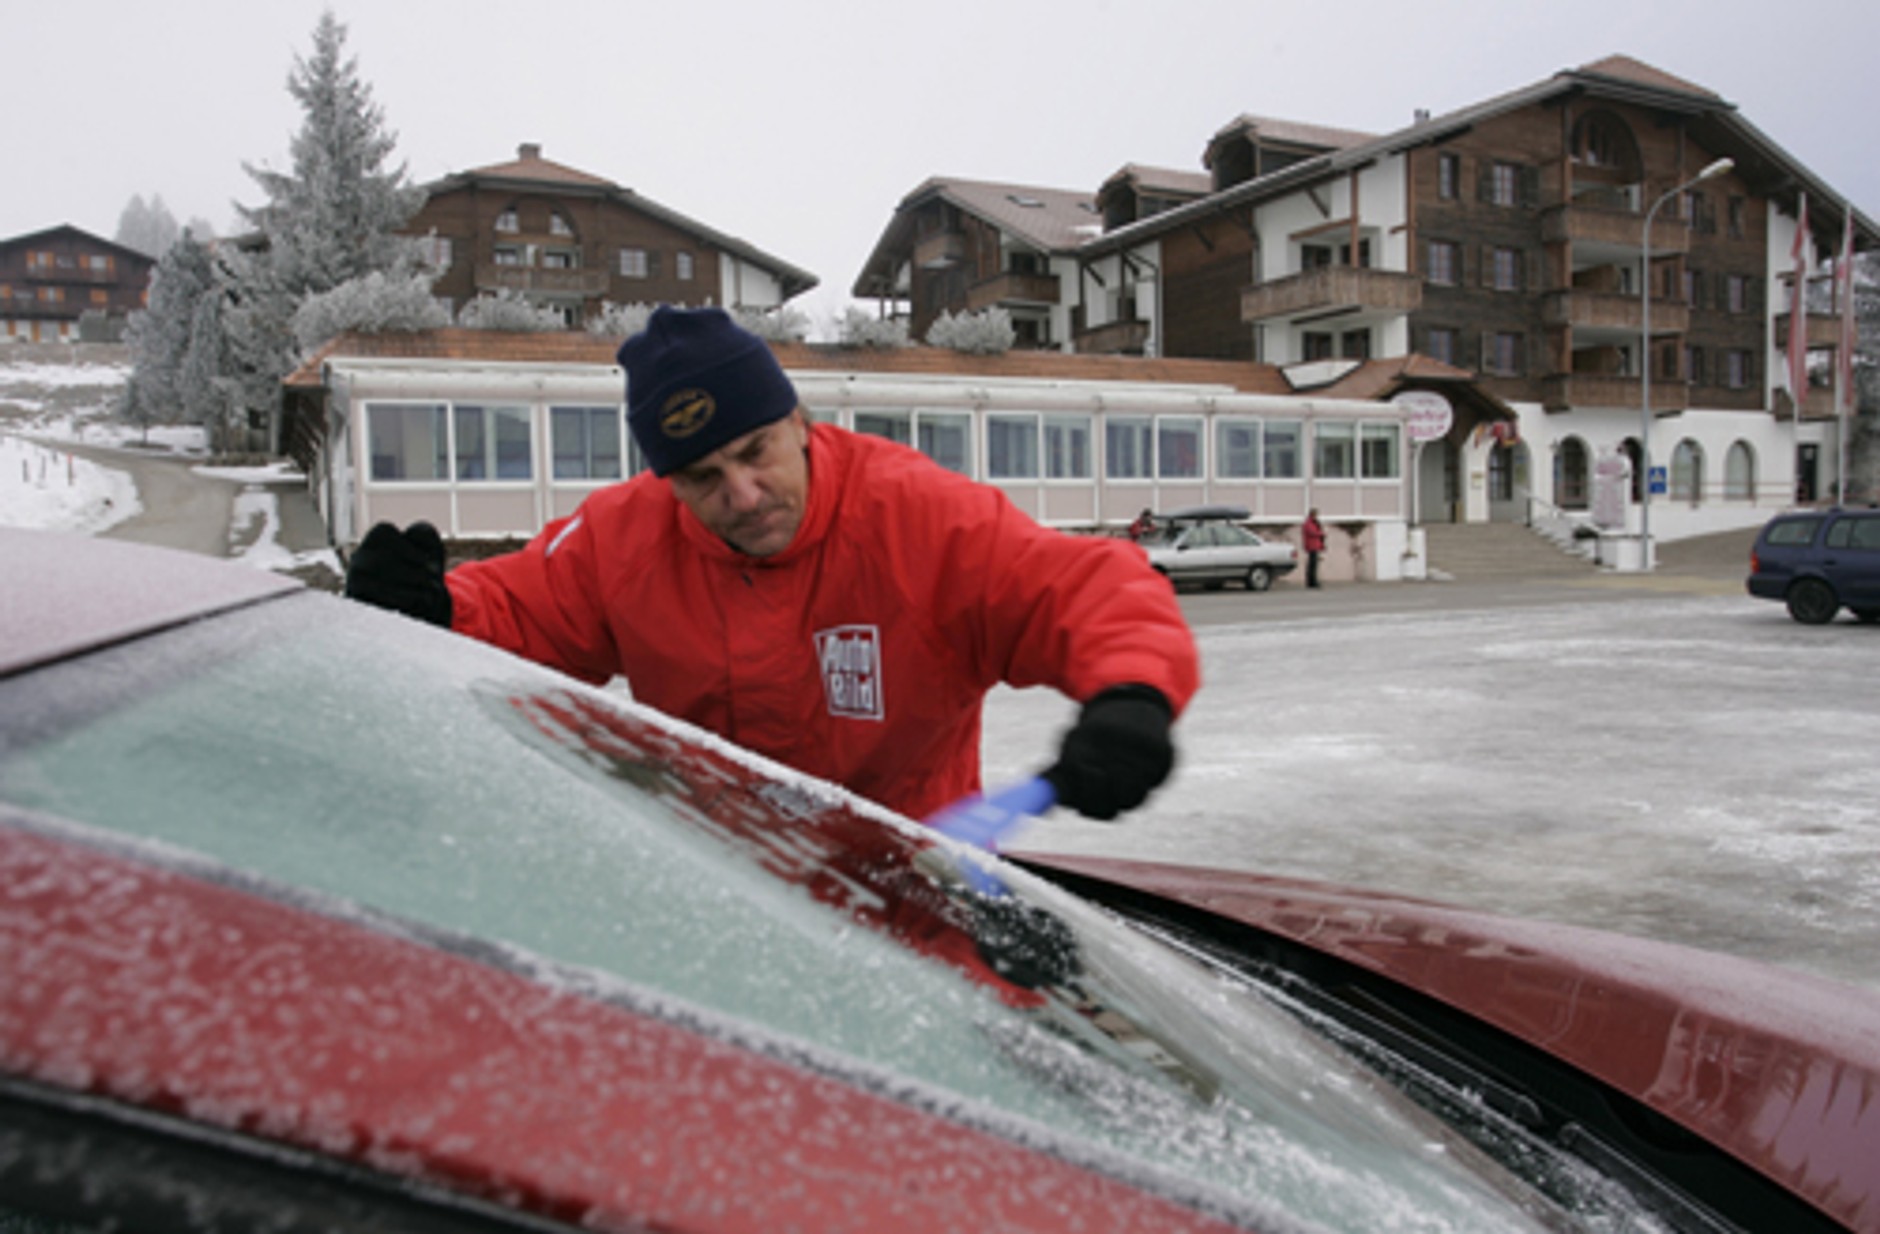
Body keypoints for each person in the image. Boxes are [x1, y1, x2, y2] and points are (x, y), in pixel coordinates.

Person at [344, 306, 1200, 825]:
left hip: (913, 892)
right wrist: (433, 609)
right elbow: (526, 609)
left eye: (756, 452)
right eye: (701, 477)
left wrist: (1132, 695)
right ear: (667, 479)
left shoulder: (916, 517)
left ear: (799, 421)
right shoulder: (622, 539)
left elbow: (1082, 587)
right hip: (724, 891)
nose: (743, 496)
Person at [1302, 508, 1325, 589]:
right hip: (1312, 546)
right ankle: (1312, 581)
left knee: (1313, 564)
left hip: (1314, 545)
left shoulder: (1313, 522)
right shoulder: (1309, 523)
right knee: (1312, 565)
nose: (1317, 516)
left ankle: (1312, 581)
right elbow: (1312, 532)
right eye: (1316, 514)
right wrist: (1321, 533)